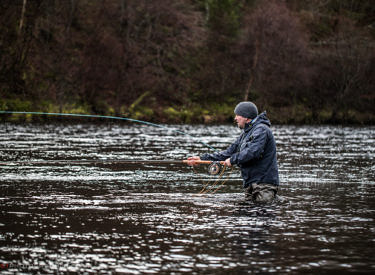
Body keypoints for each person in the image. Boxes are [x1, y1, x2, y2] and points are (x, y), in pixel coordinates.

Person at [188, 101, 279, 203]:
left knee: (262, 213)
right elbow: (228, 153)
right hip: (251, 183)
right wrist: (202, 158)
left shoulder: (262, 130)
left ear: (247, 117)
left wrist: (233, 160)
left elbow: (252, 152)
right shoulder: (246, 133)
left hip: (264, 184)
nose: (235, 118)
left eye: (237, 115)